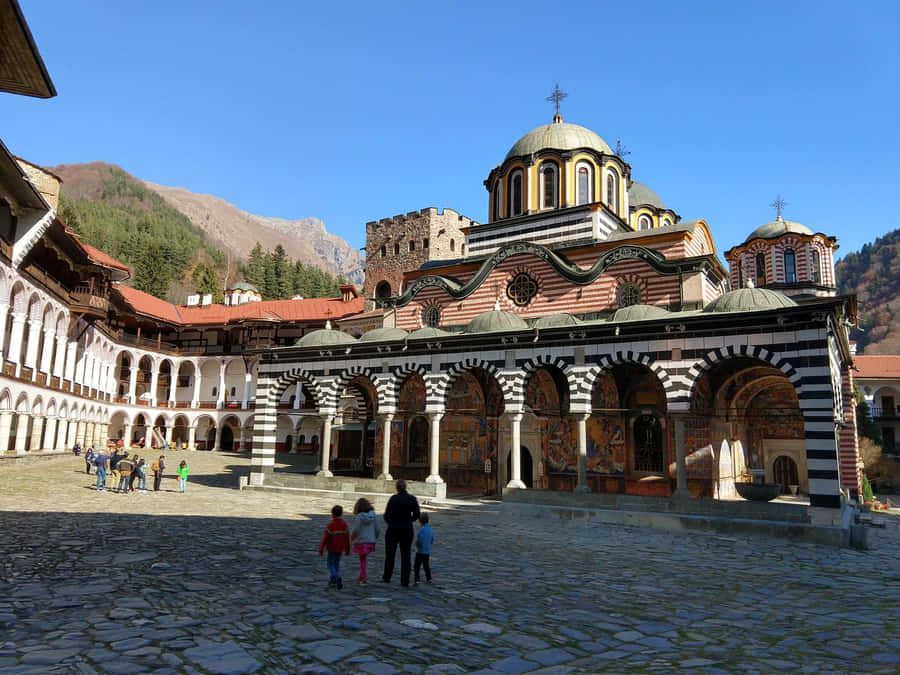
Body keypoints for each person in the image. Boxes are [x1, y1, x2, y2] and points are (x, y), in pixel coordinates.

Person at [382, 479, 420, 587]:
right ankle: (405, 580)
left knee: (390, 554)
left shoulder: (393, 499)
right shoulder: (412, 499)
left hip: (393, 529)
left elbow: (387, 515)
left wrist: (391, 522)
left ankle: (387, 576)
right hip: (407, 529)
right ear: (406, 487)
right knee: (406, 555)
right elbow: (417, 514)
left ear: (397, 488)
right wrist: (409, 521)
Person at [318, 504, 351, 589]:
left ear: (332, 514)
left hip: (331, 548)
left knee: (330, 565)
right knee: (336, 564)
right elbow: (347, 538)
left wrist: (321, 548)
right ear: (341, 514)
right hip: (340, 549)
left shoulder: (331, 525)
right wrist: (347, 549)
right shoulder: (344, 524)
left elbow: (325, 538)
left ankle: (337, 577)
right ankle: (333, 580)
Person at [350, 497, 380, 585]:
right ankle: (361, 576)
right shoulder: (374, 515)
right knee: (363, 559)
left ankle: (363, 577)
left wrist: (351, 538)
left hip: (361, 542)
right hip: (370, 541)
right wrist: (374, 538)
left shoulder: (360, 517)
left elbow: (356, 530)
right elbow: (377, 529)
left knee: (362, 559)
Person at [414, 512, 435, 585]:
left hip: (420, 551)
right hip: (427, 551)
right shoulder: (430, 530)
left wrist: (417, 546)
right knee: (426, 565)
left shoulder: (421, 530)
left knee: (417, 566)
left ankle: (417, 579)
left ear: (420, 521)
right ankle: (429, 578)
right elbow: (432, 539)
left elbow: (419, 540)